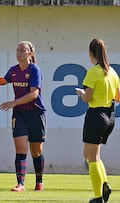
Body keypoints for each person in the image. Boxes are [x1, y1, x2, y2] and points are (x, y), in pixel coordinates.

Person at [0, 41, 46, 192]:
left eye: (22, 50)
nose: (19, 52)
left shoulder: (34, 70)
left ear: (30, 53)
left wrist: (13, 102)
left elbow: (34, 94)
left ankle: (39, 181)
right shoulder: (14, 70)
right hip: (20, 114)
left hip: (35, 113)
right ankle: (20, 184)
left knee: (36, 151)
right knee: (20, 149)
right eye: (17, 50)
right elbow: (3, 80)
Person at [75, 38, 118, 203]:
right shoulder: (112, 72)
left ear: (91, 53)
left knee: (91, 158)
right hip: (110, 115)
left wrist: (81, 94)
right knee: (93, 155)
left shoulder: (94, 72)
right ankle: (104, 185)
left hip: (96, 115)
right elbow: (118, 96)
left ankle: (98, 197)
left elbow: (87, 98)